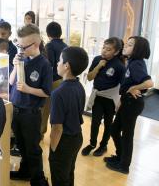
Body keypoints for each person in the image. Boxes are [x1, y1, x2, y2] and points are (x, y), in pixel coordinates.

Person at [9, 24, 52, 186]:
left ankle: (38, 179)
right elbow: (12, 81)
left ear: (35, 45)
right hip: (16, 109)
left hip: (31, 113)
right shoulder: (22, 58)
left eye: (23, 47)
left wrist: (28, 89)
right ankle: (25, 171)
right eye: (18, 45)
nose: (20, 50)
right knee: (21, 145)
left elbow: (46, 92)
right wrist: (14, 66)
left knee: (33, 148)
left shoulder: (44, 65)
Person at [105, 36, 153, 174]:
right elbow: (127, 84)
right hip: (127, 102)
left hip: (133, 104)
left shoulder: (136, 63)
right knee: (114, 130)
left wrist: (133, 88)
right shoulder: (131, 62)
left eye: (130, 45)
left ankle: (124, 166)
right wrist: (121, 100)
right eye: (127, 44)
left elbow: (149, 83)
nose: (125, 46)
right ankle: (120, 157)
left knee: (127, 135)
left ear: (138, 49)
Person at [49, 47, 89, 186]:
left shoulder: (58, 93)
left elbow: (57, 128)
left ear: (66, 66)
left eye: (59, 60)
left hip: (63, 141)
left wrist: (53, 149)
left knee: (59, 177)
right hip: (77, 137)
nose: (57, 63)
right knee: (68, 173)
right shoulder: (80, 86)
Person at [81, 37, 126, 157]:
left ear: (116, 52)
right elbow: (90, 77)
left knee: (108, 123)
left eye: (109, 49)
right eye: (104, 48)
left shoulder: (119, 66)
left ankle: (103, 145)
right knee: (95, 122)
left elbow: (123, 85)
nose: (104, 51)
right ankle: (92, 144)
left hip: (110, 99)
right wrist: (98, 66)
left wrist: (121, 101)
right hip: (98, 96)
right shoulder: (97, 59)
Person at [40, 22, 68, 140]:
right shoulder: (65, 45)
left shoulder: (49, 46)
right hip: (63, 80)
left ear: (48, 33)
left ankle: (41, 133)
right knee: (58, 110)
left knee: (45, 109)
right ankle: (57, 133)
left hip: (52, 81)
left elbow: (48, 64)